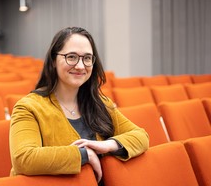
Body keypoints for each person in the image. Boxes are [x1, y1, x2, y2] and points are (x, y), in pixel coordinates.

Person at [9, 27, 149, 183]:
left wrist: (108, 145)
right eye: (71, 57)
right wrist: (85, 155)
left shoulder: (100, 103)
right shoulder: (28, 107)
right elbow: (23, 158)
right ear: (54, 60)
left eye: (87, 58)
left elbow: (141, 136)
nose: (81, 66)